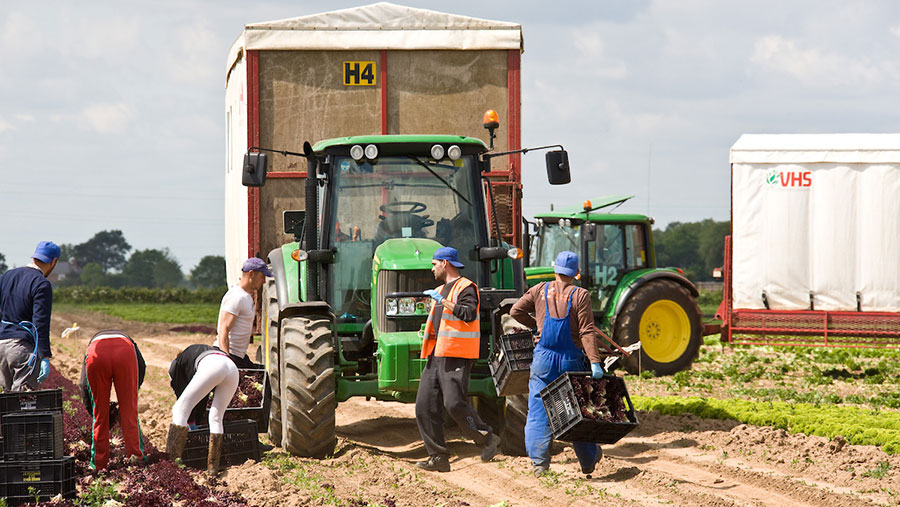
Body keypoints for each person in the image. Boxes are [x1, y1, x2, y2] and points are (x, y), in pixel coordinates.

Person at [509, 250, 605, 477]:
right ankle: (588, 461)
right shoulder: (580, 295)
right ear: (576, 272)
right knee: (576, 411)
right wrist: (595, 362)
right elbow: (586, 331)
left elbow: (515, 311)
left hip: (543, 360)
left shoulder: (539, 289)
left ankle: (539, 463)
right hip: (570, 362)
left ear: (555, 269)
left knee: (538, 410)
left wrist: (535, 326)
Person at [415, 246, 500, 472]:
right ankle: (438, 457)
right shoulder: (439, 289)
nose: (432, 269)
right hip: (436, 354)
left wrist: (443, 301)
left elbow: (468, 314)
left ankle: (486, 437)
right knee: (424, 407)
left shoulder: (466, 287)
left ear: (445, 263)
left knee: (454, 404)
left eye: (434, 264)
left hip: (455, 354)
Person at [166, 343, 239, 477]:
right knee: (216, 418)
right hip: (232, 368)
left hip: (213, 366)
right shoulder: (194, 354)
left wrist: (190, 421)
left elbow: (180, 390)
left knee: (179, 409)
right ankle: (213, 469)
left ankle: (171, 468)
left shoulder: (177, 364)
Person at [79, 330, 146, 470]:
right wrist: (132, 392)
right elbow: (142, 366)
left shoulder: (92, 345)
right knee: (129, 413)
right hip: (125, 353)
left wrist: (93, 409)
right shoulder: (131, 343)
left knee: (100, 416)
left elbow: (84, 385)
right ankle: (136, 458)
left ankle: (98, 464)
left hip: (97, 356)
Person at [0, 241, 60, 391]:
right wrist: (44, 356)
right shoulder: (41, 284)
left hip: (1, 345)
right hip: (21, 348)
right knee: (23, 401)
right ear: (53, 262)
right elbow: (40, 323)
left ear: (34, 257)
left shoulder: (6, 276)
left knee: (5, 400)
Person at [213, 257, 271, 368]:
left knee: (265, 374)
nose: (264, 281)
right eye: (262, 276)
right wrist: (227, 361)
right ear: (251, 274)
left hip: (239, 356)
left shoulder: (246, 297)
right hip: (229, 354)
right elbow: (223, 329)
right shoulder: (236, 296)